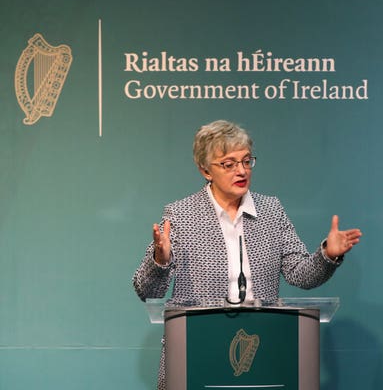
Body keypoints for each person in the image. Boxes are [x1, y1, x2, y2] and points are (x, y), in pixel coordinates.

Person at [133, 119, 362, 390]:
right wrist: (160, 260)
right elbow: (147, 290)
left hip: (260, 348)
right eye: (229, 164)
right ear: (205, 170)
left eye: (246, 161)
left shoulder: (270, 210)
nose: (241, 171)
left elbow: (300, 274)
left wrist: (327, 254)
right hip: (198, 348)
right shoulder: (182, 214)